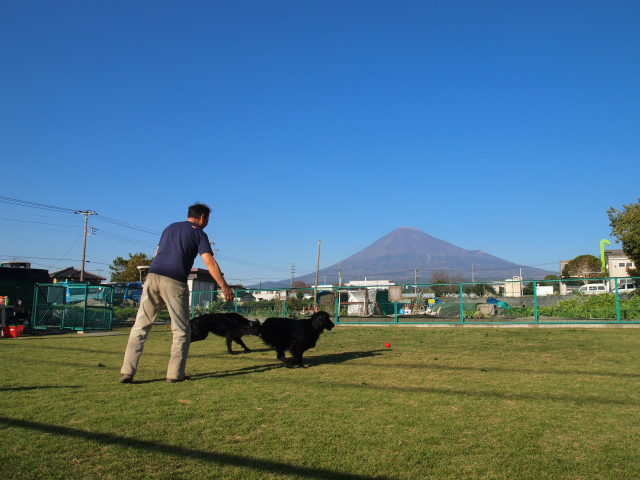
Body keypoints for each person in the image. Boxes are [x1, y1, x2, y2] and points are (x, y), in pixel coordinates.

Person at [119, 203, 234, 383]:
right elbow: (209, 262)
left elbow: (158, 253)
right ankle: (175, 375)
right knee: (181, 330)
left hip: (152, 276)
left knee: (140, 326)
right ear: (202, 217)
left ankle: (127, 372)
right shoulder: (198, 233)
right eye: (208, 219)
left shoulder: (170, 228)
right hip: (173, 280)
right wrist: (223, 285)